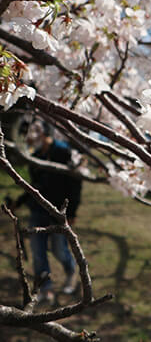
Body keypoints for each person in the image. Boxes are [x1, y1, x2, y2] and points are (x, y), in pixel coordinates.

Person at [14, 123, 82, 303]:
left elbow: (75, 182)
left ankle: (70, 271)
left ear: (43, 133)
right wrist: (19, 203)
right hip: (38, 211)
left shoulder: (63, 151)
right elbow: (35, 187)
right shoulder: (35, 157)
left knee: (59, 250)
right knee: (38, 252)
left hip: (59, 212)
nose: (30, 139)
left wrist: (72, 211)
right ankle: (46, 288)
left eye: (33, 133)